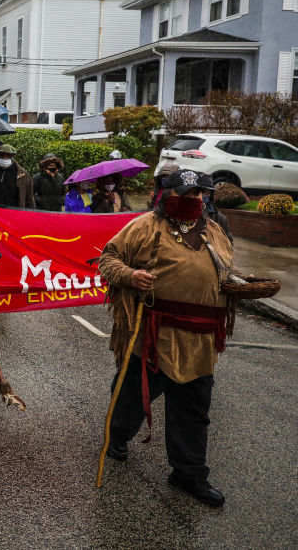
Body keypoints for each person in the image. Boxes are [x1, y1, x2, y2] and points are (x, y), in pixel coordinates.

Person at [99, 169, 235, 507]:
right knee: (132, 394)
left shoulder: (215, 230)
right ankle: (116, 437)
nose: (195, 200)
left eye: (200, 194)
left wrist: (238, 284)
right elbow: (107, 259)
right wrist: (131, 275)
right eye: (187, 194)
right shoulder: (144, 226)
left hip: (202, 340)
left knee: (193, 409)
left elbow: (225, 272)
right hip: (153, 336)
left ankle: (189, 473)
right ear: (168, 195)